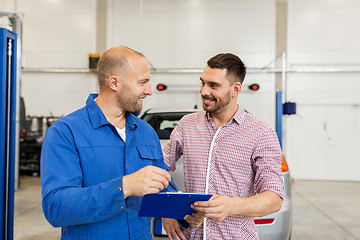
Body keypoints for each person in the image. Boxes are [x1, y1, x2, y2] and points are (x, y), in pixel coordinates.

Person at [40, 46, 175, 239]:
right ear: (114, 83)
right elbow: (56, 208)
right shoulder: (65, 132)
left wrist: (181, 210)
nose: (149, 91)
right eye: (142, 82)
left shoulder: (146, 132)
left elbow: (163, 186)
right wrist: (125, 187)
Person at [162, 53, 285, 240]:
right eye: (203, 83)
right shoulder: (187, 125)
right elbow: (156, 168)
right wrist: (167, 211)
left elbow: (274, 198)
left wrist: (232, 206)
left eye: (213, 85)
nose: (204, 91)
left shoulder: (261, 133)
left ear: (235, 89)